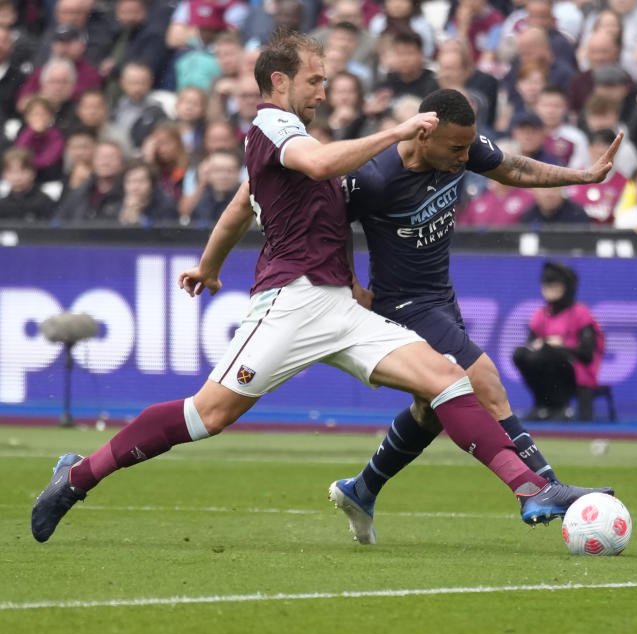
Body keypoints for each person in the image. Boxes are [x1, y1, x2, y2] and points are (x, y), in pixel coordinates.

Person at [32, 33, 601, 545]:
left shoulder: (300, 140)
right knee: (207, 415)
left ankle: (530, 489)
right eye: (315, 80)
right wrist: (399, 129)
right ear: (279, 81)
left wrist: (212, 265)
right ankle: (78, 475)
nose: (324, 91)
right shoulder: (272, 125)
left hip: (340, 306)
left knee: (449, 380)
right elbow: (318, 166)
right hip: (289, 301)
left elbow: (250, 206)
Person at [330, 88, 620, 543]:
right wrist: (350, 284)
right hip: (403, 305)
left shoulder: (462, 149)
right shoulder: (376, 176)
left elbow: (515, 167)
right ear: (424, 134)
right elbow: (332, 222)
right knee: (484, 380)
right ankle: (542, 486)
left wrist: (581, 176)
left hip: (441, 298)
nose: (466, 157)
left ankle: (362, 489)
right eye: (457, 149)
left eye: (470, 147)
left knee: (430, 411)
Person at [513, 261, 604, 421]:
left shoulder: (580, 313)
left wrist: (562, 346)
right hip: (545, 367)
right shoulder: (540, 315)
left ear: (566, 288)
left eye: (556, 287)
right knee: (521, 355)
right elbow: (530, 347)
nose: (550, 291)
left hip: (576, 369)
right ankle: (542, 405)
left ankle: (562, 406)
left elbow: (588, 353)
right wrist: (538, 345)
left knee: (550, 353)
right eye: (547, 286)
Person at [0, 148, 55, 222]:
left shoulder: (44, 202)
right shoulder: (2, 204)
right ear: (4, 174)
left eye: (22, 171)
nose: (16, 177)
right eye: (11, 172)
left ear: (33, 172)